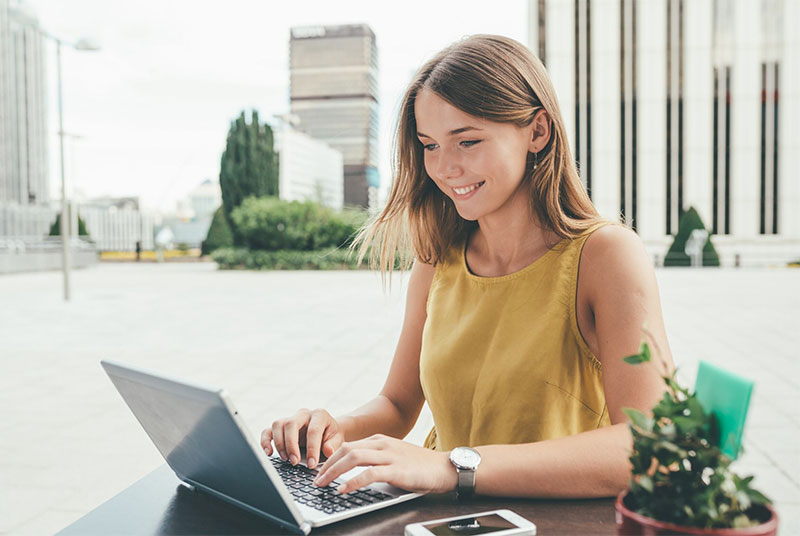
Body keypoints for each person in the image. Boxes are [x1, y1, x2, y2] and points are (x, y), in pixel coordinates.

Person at [261, 34, 674, 499]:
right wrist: (335, 428)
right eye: (430, 145)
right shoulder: (438, 257)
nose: (444, 168)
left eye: (468, 141)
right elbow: (397, 404)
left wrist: (452, 467)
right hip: (446, 517)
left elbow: (649, 445)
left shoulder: (606, 255)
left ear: (538, 131)